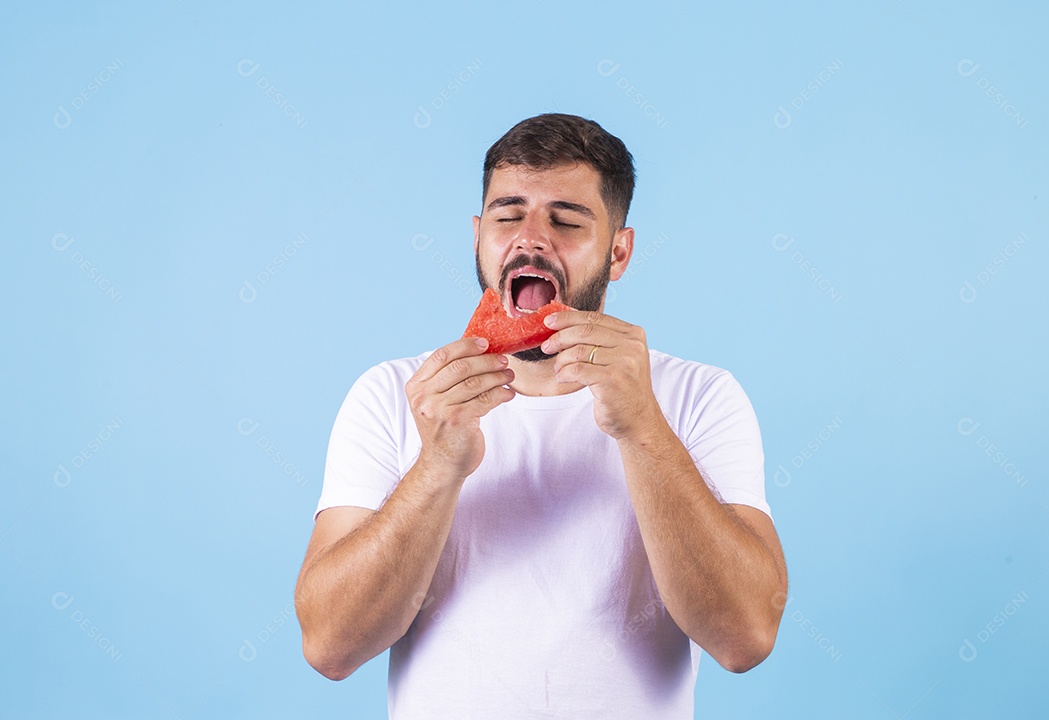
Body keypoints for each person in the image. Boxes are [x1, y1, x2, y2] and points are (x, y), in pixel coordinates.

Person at [294, 113, 787, 718]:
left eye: (566, 220)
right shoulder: (395, 394)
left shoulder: (699, 396)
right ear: (478, 237)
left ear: (619, 251)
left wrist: (642, 427)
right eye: (508, 216)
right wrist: (439, 463)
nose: (530, 239)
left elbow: (745, 638)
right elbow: (330, 647)